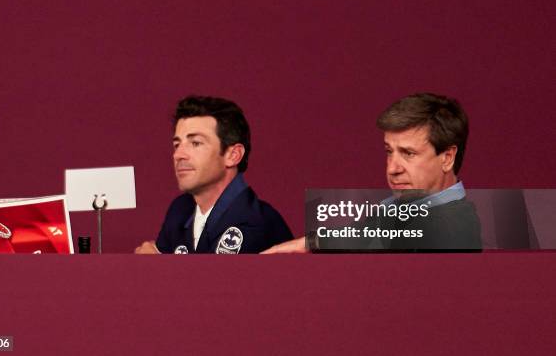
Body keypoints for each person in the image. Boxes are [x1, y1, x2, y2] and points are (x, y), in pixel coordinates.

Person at [262, 92, 481, 253]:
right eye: (389, 152)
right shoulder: (397, 211)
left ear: (447, 158)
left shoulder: (454, 223)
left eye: (408, 153)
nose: (392, 169)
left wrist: (310, 243)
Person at [135, 95, 293, 254]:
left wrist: (156, 263)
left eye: (195, 143)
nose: (178, 155)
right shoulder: (180, 209)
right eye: (177, 145)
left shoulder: (255, 221)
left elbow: (207, 278)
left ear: (233, 155)